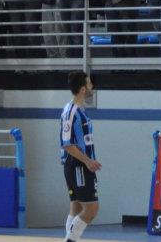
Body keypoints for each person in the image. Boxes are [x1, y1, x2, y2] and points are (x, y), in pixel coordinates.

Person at [60, 71, 101, 242]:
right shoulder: (72, 112)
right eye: (90, 84)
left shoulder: (77, 110)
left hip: (78, 164)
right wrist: (88, 161)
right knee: (91, 209)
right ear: (83, 89)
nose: (92, 87)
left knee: (76, 207)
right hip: (78, 165)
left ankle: (69, 238)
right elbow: (67, 144)